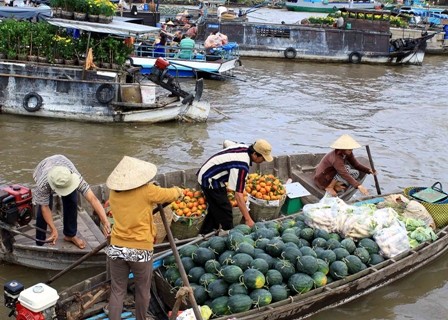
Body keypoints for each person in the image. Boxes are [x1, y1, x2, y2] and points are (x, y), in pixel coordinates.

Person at [105, 156, 183, 320]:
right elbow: (169, 194)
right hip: (140, 248)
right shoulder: (147, 190)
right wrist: (179, 191)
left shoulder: (113, 193)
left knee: (118, 290)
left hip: (117, 247)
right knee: (142, 290)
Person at [32, 155, 111, 248]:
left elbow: (93, 199)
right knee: (43, 208)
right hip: (44, 168)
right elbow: (44, 207)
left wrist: (105, 221)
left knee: (72, 200)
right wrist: (53, 229)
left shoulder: (74, 176)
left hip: (62, 162)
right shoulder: (43, 184)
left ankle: (70, 235)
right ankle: (40, 242)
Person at [197, 139, 274, 234]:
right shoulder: (241, 166)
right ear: (254, 154)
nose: (263, 161)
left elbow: (226, 142)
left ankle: (205, 232)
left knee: (216, 207)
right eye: (263, 158)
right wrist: (248, 219)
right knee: (226, 210)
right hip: (209, 179)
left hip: (211, 173)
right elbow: (238, 195)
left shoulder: (244, 146)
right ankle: (228, 234)